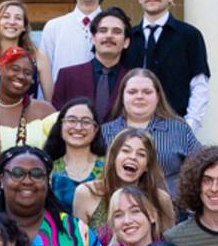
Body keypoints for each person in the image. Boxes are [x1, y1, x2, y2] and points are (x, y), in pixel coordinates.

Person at [0, 144, 106, 246]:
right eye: (17, 173)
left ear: (48, 180)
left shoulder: (77, 232)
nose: (27, 181)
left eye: (37, 174)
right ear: (2, 180)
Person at [122, 0, 209, 135]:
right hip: (132, 129)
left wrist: (189, 125)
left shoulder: (189, 35)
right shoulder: (129, 37)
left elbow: (200, 84)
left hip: (175, 126)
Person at [100, 69, 199, 198]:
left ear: (158, 97)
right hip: (117, 207)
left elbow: (200, 166)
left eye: (147, 92)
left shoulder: (178, 129)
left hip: (171, 207)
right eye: (132, 92)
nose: (139, 96)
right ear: (122, 96)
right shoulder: (104, 132)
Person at [75, 127, 174, 236]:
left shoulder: (160, 199)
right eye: (126, 151)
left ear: (147, 166)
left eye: (141, 154)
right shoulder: (86, 193)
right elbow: (79, 243)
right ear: (114, 157)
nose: (133, 157)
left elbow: (169, 242)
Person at [50, 5, 131, 120]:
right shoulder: (67, 76)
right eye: (103, 30)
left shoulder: (133, 80)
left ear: (126, 42)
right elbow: (57, 121)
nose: (109, 35)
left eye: (116, 31)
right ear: (93, 38)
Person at [39, 0, 113, 84]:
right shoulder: (54, 27)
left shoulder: (114, 27)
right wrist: (51, 98)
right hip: (63, 96)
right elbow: (44, 70)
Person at [45, 98, 105, 212]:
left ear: (96, 129)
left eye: (86, 122)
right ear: (60, 126)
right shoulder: (48, 169)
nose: (78, 127)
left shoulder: (109, 166)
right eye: (72, 120)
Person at [0, 46, 55, 149]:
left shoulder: (45, 111)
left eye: (27, 73)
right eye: (15, 69)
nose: (21, 76)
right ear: (0, 69)